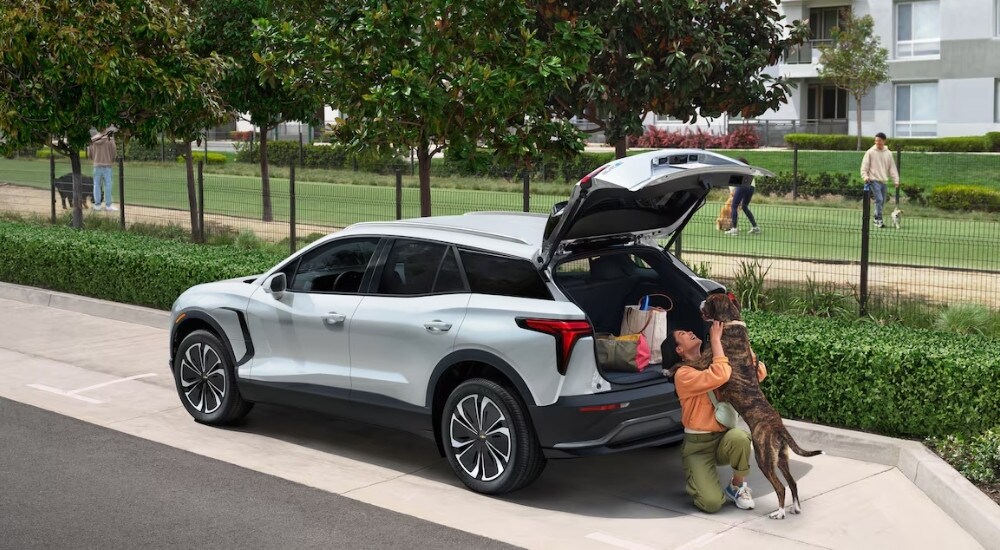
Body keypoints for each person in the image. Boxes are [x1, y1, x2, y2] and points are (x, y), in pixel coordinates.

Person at [662, 322, 767, 513]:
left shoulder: (714, 360)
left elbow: (757, 374)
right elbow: (720, 374)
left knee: (740, 437)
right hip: (697, 447)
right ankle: (697, 480)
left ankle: (736, 485)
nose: (691, 331)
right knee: (711, 504)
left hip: (722, 439)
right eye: (684, 333)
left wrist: (741, 342)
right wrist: (717, 341)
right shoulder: (683, 374)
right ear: (679, 349)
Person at [860, 132, 899, 228]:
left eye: (879, 140)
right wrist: (865, 176)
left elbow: (892, 168)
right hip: (873, 180)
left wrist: (896, 180)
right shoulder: (870, 152)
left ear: (884, 141)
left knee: (882, 201)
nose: (877, 142)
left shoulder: (888, 153)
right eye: (876, 140)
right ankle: (878, 219)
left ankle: (876, 218)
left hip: (883, 181)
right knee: (879, 199)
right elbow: (864, 166)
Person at [725, 157, 760, 235]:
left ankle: (734, 228)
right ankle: (755, 227)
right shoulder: (749, 169)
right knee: (744, 206)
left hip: (742, 186)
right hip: (751, 187)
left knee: (734, 206)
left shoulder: (738, 170)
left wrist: (732, 193)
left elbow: (732, 185)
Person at [87, 125, 118, 212]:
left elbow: (90, 153)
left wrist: (95, 160)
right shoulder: (110, 140)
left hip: (97, 165)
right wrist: (111, 160)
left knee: (96, 185)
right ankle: (108, 205)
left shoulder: (93, 140)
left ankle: (97, 205)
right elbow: (114, 153)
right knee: (108, 185)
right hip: (108, 166)